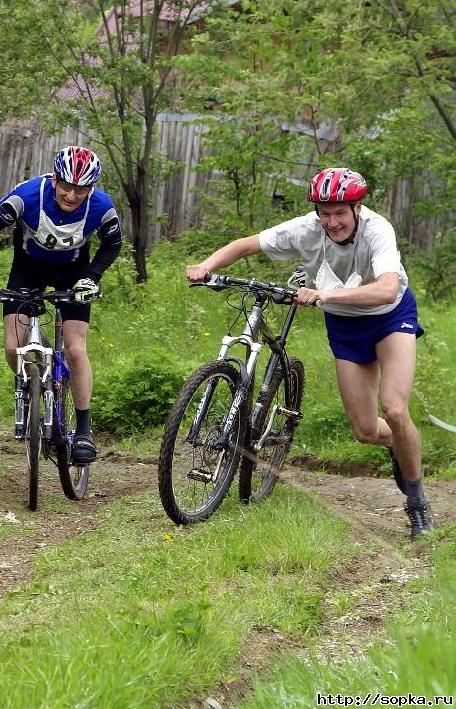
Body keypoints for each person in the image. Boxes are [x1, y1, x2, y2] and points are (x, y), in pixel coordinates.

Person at [187, 167, 438, 538]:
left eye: (340, 213)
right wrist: (205, 266)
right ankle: (398, 447)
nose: (332, 222)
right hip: (345, 325)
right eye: (325, 213)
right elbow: (245, 244)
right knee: (367, 430)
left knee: (396, 409)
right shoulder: (305, 228)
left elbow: (386, 289)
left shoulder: (377, 230)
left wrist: (325, 295)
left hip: (390, 316)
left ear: (357, 208)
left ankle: (417, 503)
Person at [0, 145, 122, 464]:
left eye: (80, 188)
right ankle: (29, 384)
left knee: (76, 350)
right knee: (14, 348)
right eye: (66, 185)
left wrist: (92, 277)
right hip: (28, 270)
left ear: (91, 188)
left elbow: (113, 242)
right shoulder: (27, 196)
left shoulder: (102, 207)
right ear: (54, 180)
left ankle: (83, 431)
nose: (71, 195)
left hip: (74, 272)